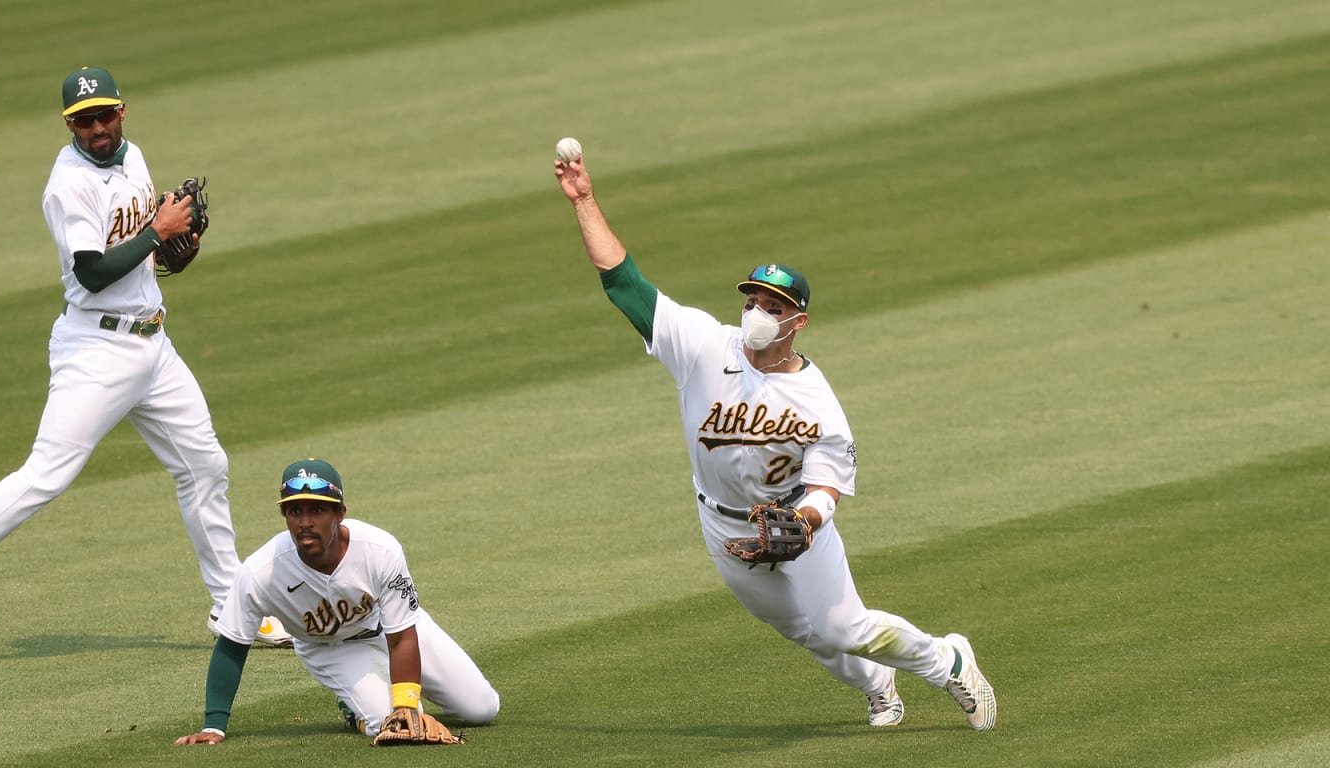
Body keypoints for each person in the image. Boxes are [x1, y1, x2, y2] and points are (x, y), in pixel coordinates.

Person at [553, 149, 997, 730]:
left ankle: (947, 659)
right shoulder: (705, 347)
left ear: (798, 321)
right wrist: (585, 200)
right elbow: (624, 284)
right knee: (802, 630)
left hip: (793, 522)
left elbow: (827, 484)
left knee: (842, 627)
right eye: (753, 300)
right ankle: (878, 685)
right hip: (721, 522)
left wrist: (805, 523)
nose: (758, 311)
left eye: (774, 305)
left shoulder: (816, 399)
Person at [0, 66, 290, 667]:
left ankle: (230, 603)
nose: (97, 128)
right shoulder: (68, 184)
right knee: (46, 475)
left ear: (123, 111)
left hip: (152, 347)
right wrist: (158, 231)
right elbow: (92, 271)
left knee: (204, 465)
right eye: (83, 120)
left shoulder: (134, 159)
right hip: (96, 350)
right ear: (69, 125)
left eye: (105, 115)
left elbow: (140, 253)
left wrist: (171, 248)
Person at [174, 458, 500, 745]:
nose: (305, 521)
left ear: (340, 513)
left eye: (318, 509)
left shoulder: (379, 550)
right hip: (331, 649)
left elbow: (401, 636)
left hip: (392, 629)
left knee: (481, 708)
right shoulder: (261, 572)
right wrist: (214, 726)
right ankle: (354, 710)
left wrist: (406, 701)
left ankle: (386, 702)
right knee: (388, 723)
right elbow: (232, 645)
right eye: (294, 511)